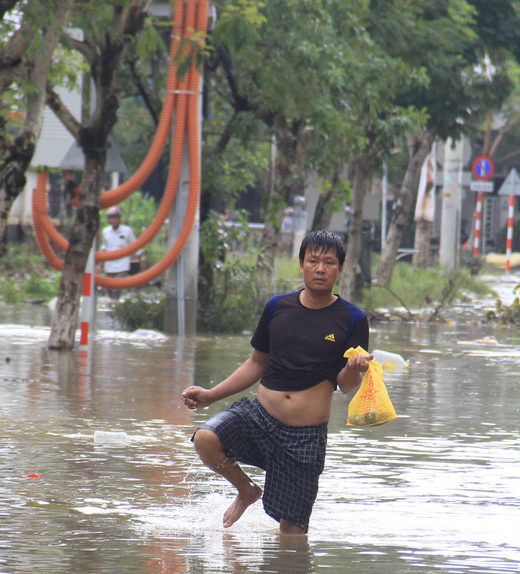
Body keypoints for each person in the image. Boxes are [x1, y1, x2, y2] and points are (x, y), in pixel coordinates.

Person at [181, 230, 371, 535]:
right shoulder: (277, 307)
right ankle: (247, 490)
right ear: (301, 264)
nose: (320, 268)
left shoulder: (352, 319)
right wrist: (209, 395)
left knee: (292, 541)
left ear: (340, 269)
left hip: (305, 438)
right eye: (313, 261)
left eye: (329, 262)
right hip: (260, 418)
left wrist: (355, 367)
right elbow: (257, 363)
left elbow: (346, 384)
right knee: (205, 438)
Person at [101, 206, 136, 285]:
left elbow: (135, 244)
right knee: (109, 286)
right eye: (111, 217)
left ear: (119, 218)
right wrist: (99, 264)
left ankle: (117, 297)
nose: (113, 220)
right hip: (109, 265)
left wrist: (140, 258)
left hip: (122, 264)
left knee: (118, 285)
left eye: (115, 217)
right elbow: (105, 247)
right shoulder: (105, 231)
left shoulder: (127, 230)